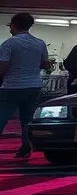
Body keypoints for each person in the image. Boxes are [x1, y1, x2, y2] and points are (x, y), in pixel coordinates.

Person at [0, 13, 52, 159]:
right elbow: (46, 64)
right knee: (27, 119)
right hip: (34, 86)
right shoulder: (40, 43)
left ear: (13, 25)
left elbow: (2, 67)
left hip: (12, 86)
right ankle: (26, 146)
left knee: (2, 116)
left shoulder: (9, 43)